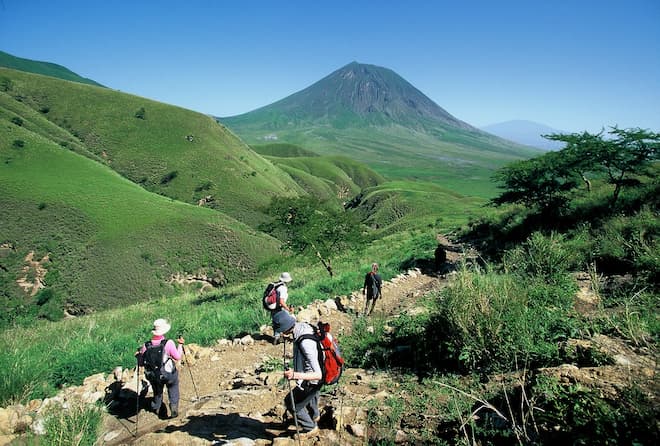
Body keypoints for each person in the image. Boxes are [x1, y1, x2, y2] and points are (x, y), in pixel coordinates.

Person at [275, 311, 322, 438]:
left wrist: (294, 375)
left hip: (312, 380)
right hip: (311, 378)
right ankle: (315, 416)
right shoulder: (301, 327)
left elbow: (318, 375)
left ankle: (310, 428)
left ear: (285, 329)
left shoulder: (305, 343)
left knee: (291, 403)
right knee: (310, 397)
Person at [136, 318, 185, 419]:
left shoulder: (145, 346)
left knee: (157, 390)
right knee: (173, 385)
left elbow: (141, 364)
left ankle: (156, 407)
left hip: (153, 375)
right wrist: (180, 345)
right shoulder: (169, 343)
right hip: (167, 373)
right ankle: (174, 407)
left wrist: (138, 356)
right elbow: (177, 357)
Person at [271, 272, 294, 345]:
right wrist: (288, 309)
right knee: (292, 321)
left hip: (273, 308)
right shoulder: (283, 288)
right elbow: (281, 301)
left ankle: (276, 338)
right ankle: (292, 336)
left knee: (276, 323)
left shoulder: (275, 285)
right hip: (279, 309)